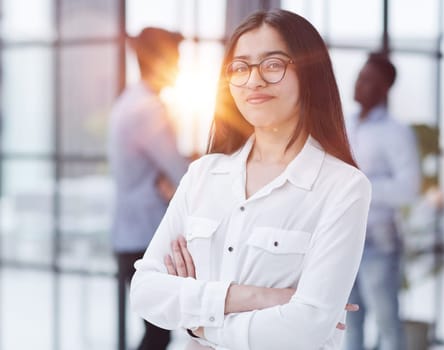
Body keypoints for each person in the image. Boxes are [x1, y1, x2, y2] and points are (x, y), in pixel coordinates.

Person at [130, 9, 371, 350]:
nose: (253, 80)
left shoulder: (343, 186)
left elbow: (306, 328)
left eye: (273, 64)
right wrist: (257, 296)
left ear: (309, 73)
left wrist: (198, 324)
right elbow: (144, 292)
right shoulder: (203, 174)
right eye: (240, 67)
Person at [108, 27, 190, 350]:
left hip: (130, 235)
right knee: (158, 333)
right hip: (145, 237)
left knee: (156, 332)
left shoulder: (129, 101)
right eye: (176, 60)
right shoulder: (149, 109)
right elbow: (181, 174)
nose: (180, 69)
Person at [344, 53, 420, 350]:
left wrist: (359, 185)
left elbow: (408, 188)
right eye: (359, 76)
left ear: (384, 88)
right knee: (350, 324)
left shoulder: (396, 132)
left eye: (367, 80)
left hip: (378, 239)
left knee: (387, 324)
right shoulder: (343, 124)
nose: (358, 84)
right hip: (345, 238)